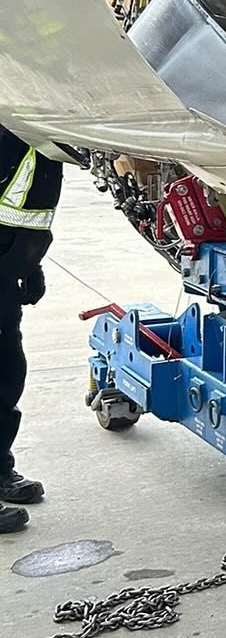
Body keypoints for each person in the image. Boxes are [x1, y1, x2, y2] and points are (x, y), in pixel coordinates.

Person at [0, 126, 63, 534]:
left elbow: (26, 201)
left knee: (7, 370)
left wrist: (30, 259)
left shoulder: (36, 117)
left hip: (7, 263)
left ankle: (0, 469)